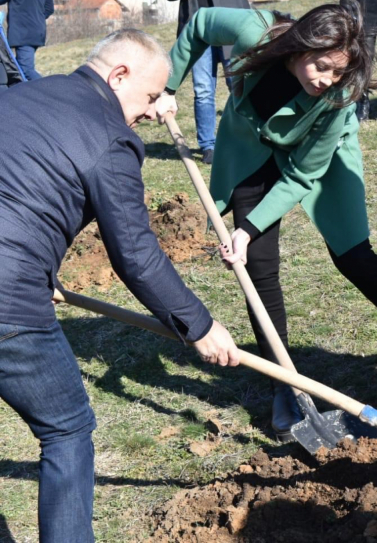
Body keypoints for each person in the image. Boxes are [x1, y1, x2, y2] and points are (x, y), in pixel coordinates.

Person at [158, 4, 377, 441]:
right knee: (256, 268)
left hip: (318, 156)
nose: (326, 80)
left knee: (353, 255)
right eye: (321, 67)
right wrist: (165, 87)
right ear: (299, 46)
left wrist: (249, 225)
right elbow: (199, 26)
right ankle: (285, 383)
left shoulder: (336, 98)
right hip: (251, 147)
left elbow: (302, 174)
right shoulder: (252, 31)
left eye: (338, 73)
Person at [0, 29, 240, 543]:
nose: (154, 112)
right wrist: (199, 325)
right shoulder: (110, 137)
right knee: (66, 429)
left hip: (14, 280)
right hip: (6, 299)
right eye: (152, 97)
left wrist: (41, 274)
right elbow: (135, 254)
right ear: (119, 75)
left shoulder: (20, 95)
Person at [162, 0, 251, 165]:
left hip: (230, 24)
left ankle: (245, 140)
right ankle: (208, 146)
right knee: (202, 90)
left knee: (238, 85)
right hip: (197, 32)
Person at [0, 0, 53, 80]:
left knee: (25, 70)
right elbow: (49, 8)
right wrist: (36, 19)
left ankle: (49, 91)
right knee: (23, 69)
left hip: (23, 32)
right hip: (37, 31)